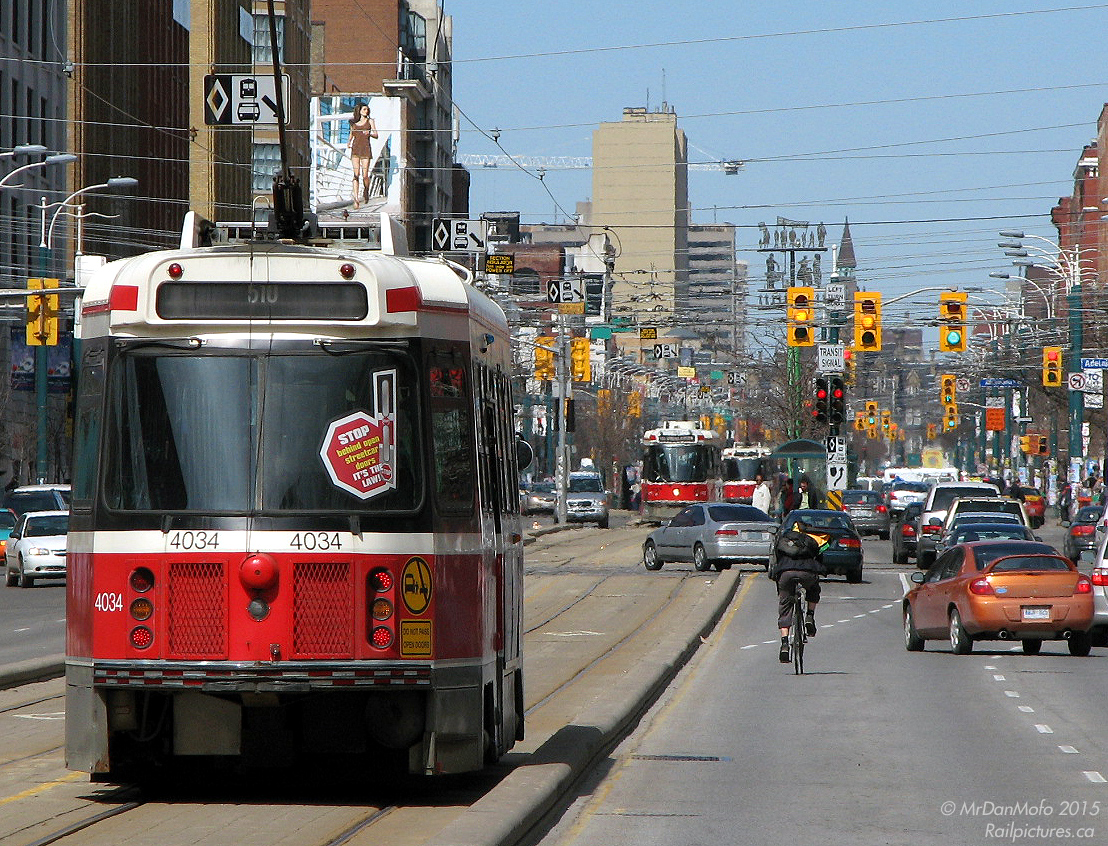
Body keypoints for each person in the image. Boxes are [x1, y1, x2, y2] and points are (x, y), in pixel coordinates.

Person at [770, 519, 823, 663]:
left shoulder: (784, 539)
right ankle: (810, 616)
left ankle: (785, 644)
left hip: (786, 573)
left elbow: (776, 560)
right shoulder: (811, 540)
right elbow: (820, 560)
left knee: (785, 606)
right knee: (813, 588)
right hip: (807, 573)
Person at [346, 101, 378, 210]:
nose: (366, 111)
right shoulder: (354, 124)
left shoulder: (370, 121)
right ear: (359, 111)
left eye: (367, 109)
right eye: (364, 109)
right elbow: (351, 134)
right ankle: (356, 200)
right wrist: (349, 142)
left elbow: (376, 134)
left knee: (365, 175)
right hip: (355, 150)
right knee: (356, 174)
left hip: (365, 150)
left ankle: (366, 190)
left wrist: (369, 133)